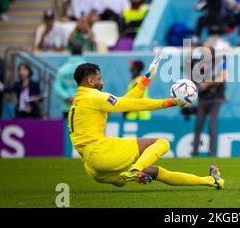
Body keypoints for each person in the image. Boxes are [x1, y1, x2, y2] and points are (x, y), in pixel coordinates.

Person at [69, 56, 224, 189]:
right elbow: (134, 105)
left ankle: (211, 180)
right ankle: (136, 169)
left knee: (157, 172)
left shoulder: (78, 102)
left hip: (92, 168)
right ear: (90, 81)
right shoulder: (94, 97)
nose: (102, 82)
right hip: (102, 153)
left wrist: (148, 77)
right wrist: (171, 102)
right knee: (162, 143)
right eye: (99, 79)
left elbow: (127, 99)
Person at [191, 43, 227, 157]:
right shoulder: (199, 64)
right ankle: (195, 152)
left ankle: (211, 152)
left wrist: (207, 84)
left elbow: (224, 77)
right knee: (198, 126)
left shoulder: (221, 62)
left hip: (216, 99)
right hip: (203, 99)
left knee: (212, 125)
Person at [53, 44, 86, 119]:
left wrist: (67, 97)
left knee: (69, 130)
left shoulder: (63, 68)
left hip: (67, 106)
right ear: (82, 52)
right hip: (84, 106)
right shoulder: (87, 68)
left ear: (71, 53)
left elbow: (57, 86)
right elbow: (93, 85)